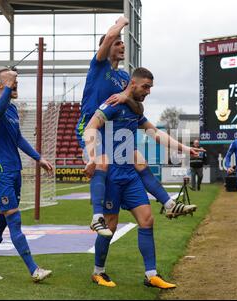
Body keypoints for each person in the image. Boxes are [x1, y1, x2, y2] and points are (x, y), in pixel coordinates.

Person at [76, 16, 197, 238]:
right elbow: (111, 35)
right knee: (101, 161)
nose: (121, 45)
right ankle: (96, 218)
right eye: (117, 43)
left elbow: (137, 108)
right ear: (106, 47)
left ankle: (169, 204)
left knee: (137, 157)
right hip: (91, 125)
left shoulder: (124, 76)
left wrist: (126, 100)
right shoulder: (99, 65)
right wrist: (122, 22)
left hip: (113, 130)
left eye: (123, 43)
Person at [84, 68, 200, 288]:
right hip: (111, 176)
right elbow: (91, 126)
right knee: (110, 225)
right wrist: (91, 156)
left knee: (147, 220)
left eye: (150, 88)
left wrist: (185, 148)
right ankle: (98, 272)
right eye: (145, 86)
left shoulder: (135, 109)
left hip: (130, 175)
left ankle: (151, 275)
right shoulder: (113, 104)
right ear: (133, 83)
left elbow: (155, 133)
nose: (148, 91)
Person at [0, 69, 54, 282]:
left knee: (0, 221)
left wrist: (39, 158)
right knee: (14, 219)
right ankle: (34, 270)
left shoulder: (13, 109)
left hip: (13, 170)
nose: (16, 83)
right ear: (0, 84)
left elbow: (18, 138)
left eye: (16, 81)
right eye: (11, 80)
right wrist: (8, 87)